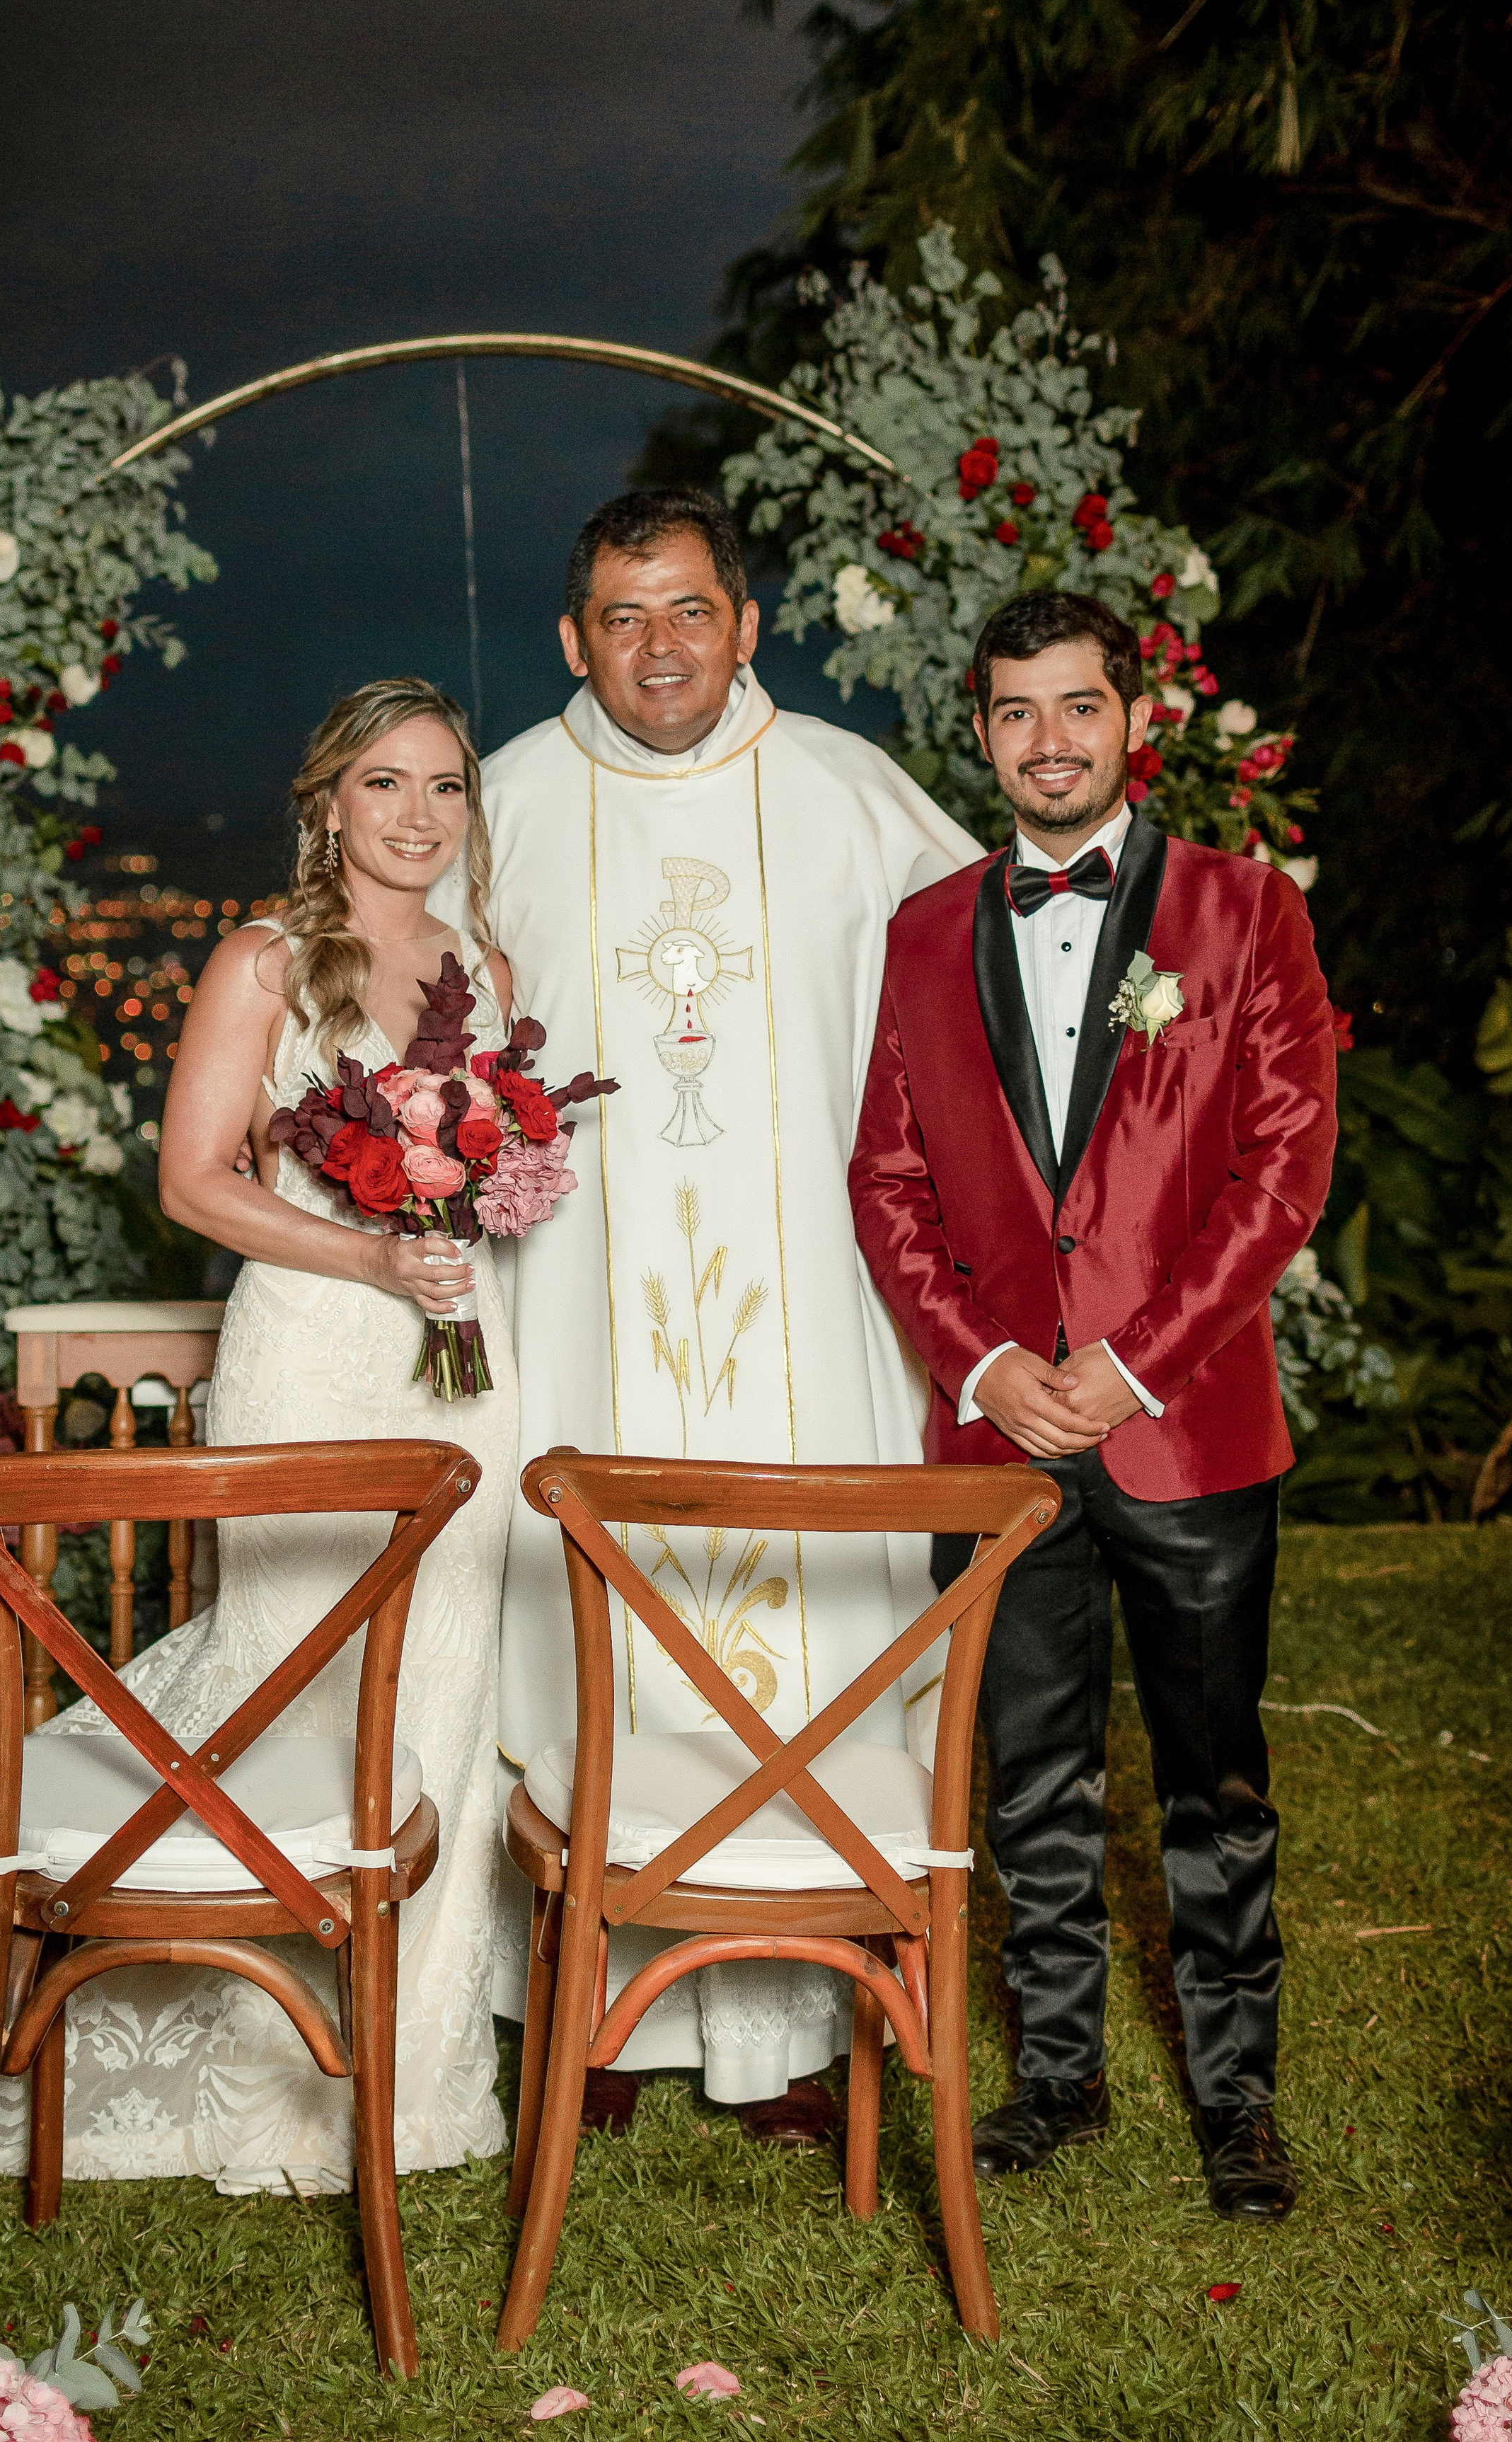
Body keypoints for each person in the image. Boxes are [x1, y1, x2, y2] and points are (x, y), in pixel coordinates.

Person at [475, 488, 978, 2138]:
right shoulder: (505, 805)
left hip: (808, 1317)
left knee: (812, 1639)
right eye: (622, 618)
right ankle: (591, 2022)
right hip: (576, 1317)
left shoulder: (847, 793)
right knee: (576, 1632)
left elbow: (997, 1018)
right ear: (573, 641)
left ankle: (791, 2021)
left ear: (746, 622)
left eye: (688, 609)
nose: (659, 646)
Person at [849, 589, 1337, 2221]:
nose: (1045, 741)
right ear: (977, 731)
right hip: (999, 1437)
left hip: (1181, 1423)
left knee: (1211, 1781)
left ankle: (1234, 2094)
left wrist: (1127, 1363)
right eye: (1012, 712)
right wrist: (987, 1366)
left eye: (1075, 708)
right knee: (1024, 1770)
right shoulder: (922, 933)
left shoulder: (1240, 909)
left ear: (1132, 719)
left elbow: (1280, 1170)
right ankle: (1054, 2075)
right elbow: (890, 1180)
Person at [18, 678, 519, 2195]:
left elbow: (504, 1165)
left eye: (443, 786)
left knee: (441, 1670)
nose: (417, 815)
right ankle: (274, 2068)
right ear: (327, 803)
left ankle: (411, 2072)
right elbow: (190, 1181)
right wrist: (369, 1253)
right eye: (386, 783)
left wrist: (490, 1199)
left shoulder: (485, 971)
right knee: (299, 1670)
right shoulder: (265, 959)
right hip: (311, 1355)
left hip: (462, 1364)